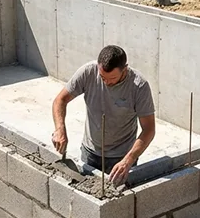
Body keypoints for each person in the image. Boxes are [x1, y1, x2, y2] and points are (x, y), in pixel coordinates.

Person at [51, 45, 156, 186]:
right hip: (90, 153)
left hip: (121, 158)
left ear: (125, 69)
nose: (106, 82)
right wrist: (60, 129)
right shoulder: (88, 72)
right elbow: (60, 100)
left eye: (112, 78)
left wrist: (128, 160)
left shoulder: (139, 86)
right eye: (102, 77)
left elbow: (149, 129)